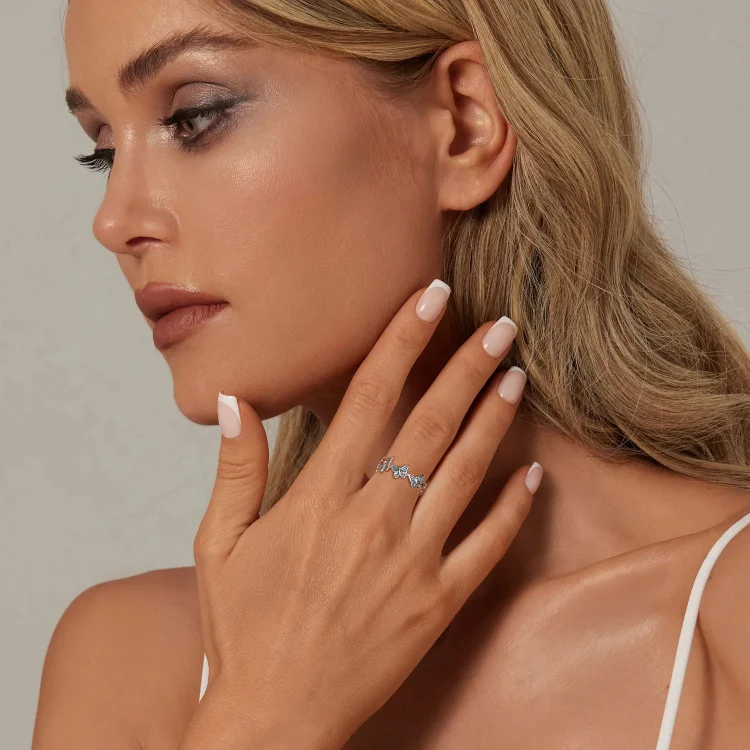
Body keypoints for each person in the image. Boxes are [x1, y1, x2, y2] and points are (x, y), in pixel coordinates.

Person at [32, 0, 750, 747]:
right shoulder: (129, 662)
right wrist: (265, 713)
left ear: (465, 124)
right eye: (103, 149)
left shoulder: (729, 624)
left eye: (195, 117)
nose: (114, 221)